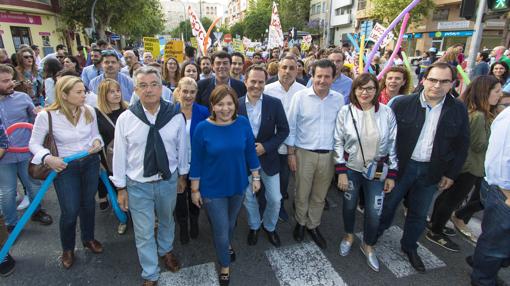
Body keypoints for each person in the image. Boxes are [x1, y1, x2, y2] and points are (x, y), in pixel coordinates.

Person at [377, 62, 470, 273]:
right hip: (400, 168)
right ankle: (373, 236)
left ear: (452, 84)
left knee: (419, 213)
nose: (437, 85)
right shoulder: (401, 103)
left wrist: (451, 174)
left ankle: (409, 246)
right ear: (423, 80)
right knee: (389, 205)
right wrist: (384, 167)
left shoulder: (458, 109)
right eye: (433, 80)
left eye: (444, 81)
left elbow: (462, 144)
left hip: (431, 171)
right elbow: (384, 138)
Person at [112, 67, 188, 285]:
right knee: (144, 232)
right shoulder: (126, 119)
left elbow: (182, 148)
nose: (149, 90)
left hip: (167, 180)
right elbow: (119, 155)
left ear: (162, 87)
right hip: (138, 185)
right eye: (143, 85)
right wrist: (121, 188)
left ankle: (166, 250)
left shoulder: (175, 115)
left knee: (166, 219)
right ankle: (150, 272)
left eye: (154, 84)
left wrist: (182, 176)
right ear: (135, 89)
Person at [29, 75, 104, 269]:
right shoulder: (47, 116)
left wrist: (97, 142)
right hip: (64, 167)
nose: (84, 95)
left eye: (84, 91)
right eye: (79, 92)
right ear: (64, 94)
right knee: (70, 210)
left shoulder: (89, 110)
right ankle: (68, 248)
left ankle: (88, 239)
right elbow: (33, 144)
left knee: (88, 204)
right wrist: (48, 158)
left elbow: (96, 134)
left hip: (90, 163)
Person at [190, 85, 260, 286]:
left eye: (230, 103)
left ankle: (226, 245)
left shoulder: (242, 123)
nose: (225, 108)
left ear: (235, 105)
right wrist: (195, 189)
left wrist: (256, 177)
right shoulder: (203, 128)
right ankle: (225, 264)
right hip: (212, 189)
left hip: (238, 184)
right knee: (221, 230)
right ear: (212, 106)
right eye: (220, 104)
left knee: (230, 224)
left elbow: (250, 152)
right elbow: (197, 160)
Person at [427, 76, 502, 249]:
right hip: (469, 166)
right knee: (452, 200)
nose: (499, 95)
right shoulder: (479, 117)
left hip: (467, 165)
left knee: (448, 197)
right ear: (484, 93)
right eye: (496, 91)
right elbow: (478, 145)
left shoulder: (477, 113)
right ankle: (435, 230)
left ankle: (435, 223)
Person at [334, 73, 397, 272]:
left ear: (376, 90)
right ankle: (348, 235)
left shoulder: (387, 112)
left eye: (370, 88)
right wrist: (341, 171)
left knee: (374, 211)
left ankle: (368, 244)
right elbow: (337, 141)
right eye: (360, 88)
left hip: (377, 172)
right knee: (349, 205)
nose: (365, 92)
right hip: (351, 170)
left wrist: (393, 174)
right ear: (354, 90)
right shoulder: (345, 111)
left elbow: (394, 144)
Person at [286, 59, 344, 249]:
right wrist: (291, 153)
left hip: (328, 155)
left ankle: (313, 225)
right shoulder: (300, 97)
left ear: (333, 78)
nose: (322, 80)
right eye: (319, 76)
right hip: (304, 153)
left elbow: (340, 129)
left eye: (327, 76)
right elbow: (291, 126)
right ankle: (301, 223)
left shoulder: (338, 99)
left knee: (320, 195)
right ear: (312, 76)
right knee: (302, 192)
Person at [239, 65, 289, 247]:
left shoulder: (274, 104)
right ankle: (254, 226)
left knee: (275, 198)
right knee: (249, 198)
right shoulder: (235, 105)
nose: (256, 85)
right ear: (245, 82)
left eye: (261, 82)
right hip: (244, 163)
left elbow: (284, 130)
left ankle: (269, 226)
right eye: (253, 81)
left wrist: (266, 147)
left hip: (268, 160)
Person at [0, 64, 53, 233]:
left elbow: (34, 120)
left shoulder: (22, 98)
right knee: (8, 192)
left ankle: (37, 211)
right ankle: (11, 223)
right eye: (5, 81)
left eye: (10, 80)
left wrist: (39, 113)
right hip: (4, 158)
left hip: (25, 153)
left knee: (34, 184)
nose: (10, 84)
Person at [468, 106, 510, 286]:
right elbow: (499, 160)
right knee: (496, 245)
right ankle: (483, 279)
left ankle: (484, 267)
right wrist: (507, 195)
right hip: (504, 193)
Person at [264, 55, 307, 222]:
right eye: (284, 67)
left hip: (292, 146)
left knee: (284, 179)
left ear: (298, 70)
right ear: (278, 69)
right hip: (271, 144)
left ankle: (280, 206)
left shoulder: (303, 91)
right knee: (267, 178)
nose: (287, 71)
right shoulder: (268, 89)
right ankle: (266, 207)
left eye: (292, 68)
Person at [173, 77, 209, 244]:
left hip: (197, 163)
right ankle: (182, 224)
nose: (188, 95)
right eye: (184, 91)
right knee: (180, 198)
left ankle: (194, 221)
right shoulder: (170, 112)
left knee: (194, 195)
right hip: (176, 164)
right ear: (178, 91)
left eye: (192, 92)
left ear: (196, 94)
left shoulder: (203, 112)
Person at [94, 78, 129, 233]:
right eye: (111, 92)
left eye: (118, 90)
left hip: (131, 158)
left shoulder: (129, 109)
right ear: (103, 94)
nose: (116, 94)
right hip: (110, 160)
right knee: (117, 191)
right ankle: (123, 218)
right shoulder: (97, 115)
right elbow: (95, 138)